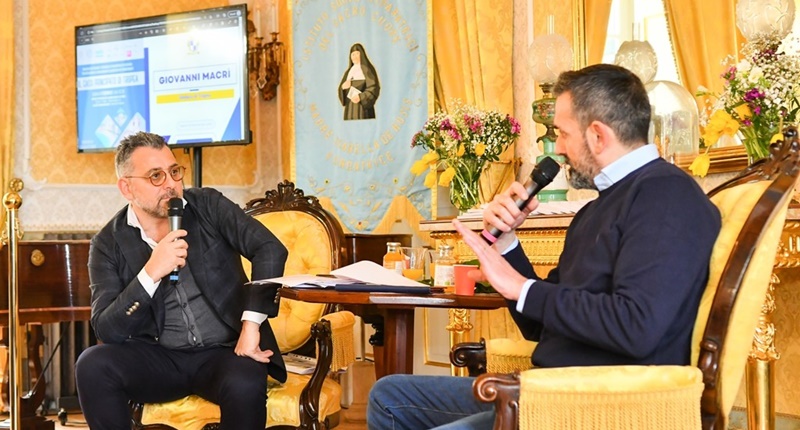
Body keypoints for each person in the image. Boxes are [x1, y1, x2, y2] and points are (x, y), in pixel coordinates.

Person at [367, 64, 721, 429]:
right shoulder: (596, 209)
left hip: (599, 406)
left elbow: (637, 326)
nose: (559, 149)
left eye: (563, 134)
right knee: (388, 395)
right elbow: (540, 326)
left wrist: (522, 288)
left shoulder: (665, 195)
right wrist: (506, 243)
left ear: (597, 135)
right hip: (544, 392)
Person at [75, 132, 289, 430]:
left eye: (174, 171)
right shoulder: (107, 243)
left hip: (225, 351)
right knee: (92, 365)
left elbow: (269, 248)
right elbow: (106, 328)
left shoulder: (208, 205)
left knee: (244, 382)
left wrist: (251, 325)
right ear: (126, 187)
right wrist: (151, 272)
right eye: (156, 176)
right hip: (158, 359)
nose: (171, 184)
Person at [338, 43, 380, 120]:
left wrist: (361, 97)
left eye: (357, 54)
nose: (355, 56)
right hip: (350, 108)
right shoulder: (348, 71)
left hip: (363, 109)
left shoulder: (367, 69)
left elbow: (374, 87)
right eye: (353, 54)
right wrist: (343, 87)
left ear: (362, 54)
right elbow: (341, 89)